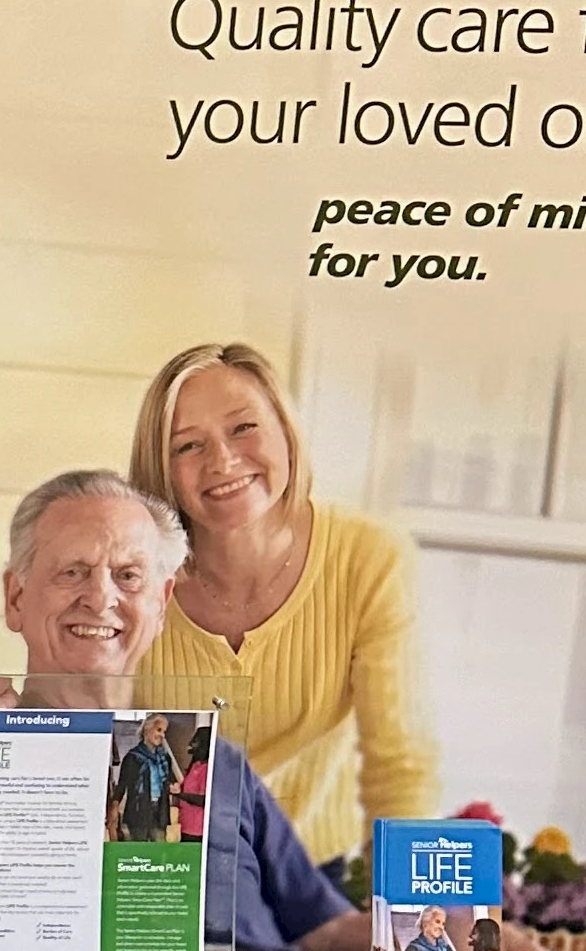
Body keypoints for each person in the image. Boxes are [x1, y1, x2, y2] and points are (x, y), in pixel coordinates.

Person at [0, 469, 367, 951]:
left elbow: (322, 932)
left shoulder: (216, 760)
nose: (100, 596)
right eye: (73, 572)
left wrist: (423, 933)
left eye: (128, 576)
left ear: (161, 604)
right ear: (16, 598)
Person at [128, 341, 438, 867]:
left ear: (286, 432)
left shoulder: (368, 557)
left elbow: (400, 764)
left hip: (311, 887)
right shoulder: (131, 572)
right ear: (161, 469)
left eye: (244, 428)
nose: (222, 461)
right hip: (161, 885)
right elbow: (75, 718)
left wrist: (411, 917)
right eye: (187, 446)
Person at [111, 714, 179, 844]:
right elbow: (121, 786)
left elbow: (170, 780)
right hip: (138, 813)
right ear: (147, 729)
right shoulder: (132, 757)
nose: (162, 735)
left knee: (159, 853)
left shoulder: (165, 758)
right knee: (137, 853)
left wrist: (173, 786)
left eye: (164, 732)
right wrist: (114, 808)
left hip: (159, 813)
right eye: (159, 730)